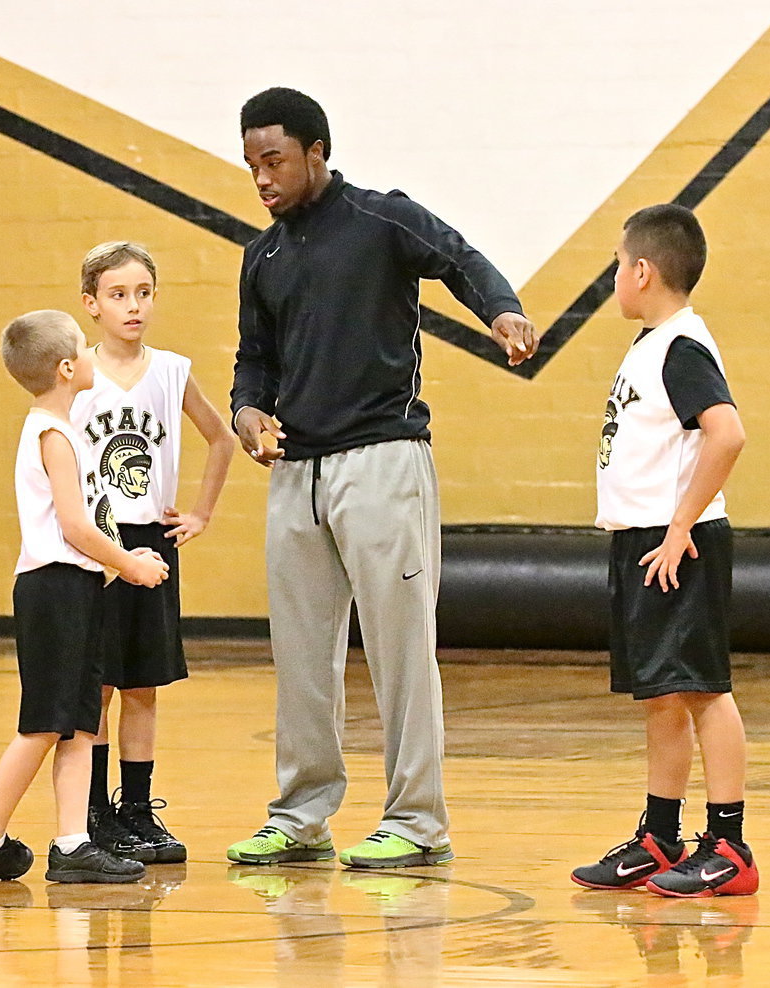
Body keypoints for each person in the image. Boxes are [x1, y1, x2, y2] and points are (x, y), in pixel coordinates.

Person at [227, 87, 538, 868]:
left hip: (382, 461)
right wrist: (246, 415)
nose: (261, 178)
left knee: (400, 649)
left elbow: (460, 257)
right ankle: (300, 815)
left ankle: (417, 822)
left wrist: (499, 309)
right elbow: (253, 362)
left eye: (274, 161)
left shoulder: (380, 219)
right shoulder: (260, 256)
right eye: (250, 165)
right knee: (301, 657)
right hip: (296, 474)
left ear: (316, 153)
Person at [572, 203, 756, 897]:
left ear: (642, 271)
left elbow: (728, 433)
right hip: (644, 541)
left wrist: (681, 526)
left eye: (619, 264)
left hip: (677, 544)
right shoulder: (655, 343)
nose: (616, 276)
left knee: (704, 690)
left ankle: (730, 844)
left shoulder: (681, 346)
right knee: (662, 696)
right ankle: (659, 835)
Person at [0, 309, 168, 883]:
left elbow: (87, 524)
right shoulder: (52, 433)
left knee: (80, 722)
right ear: (69, 367)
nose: (96, 355)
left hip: (80, 586)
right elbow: (74, 527)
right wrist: (131, 566)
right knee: (45, 724)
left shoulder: (63, 429)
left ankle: (72, 843)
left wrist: (123, 562)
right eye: (85, 349)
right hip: (54, 591)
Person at [70, 242, 234, 864]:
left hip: (152, 540)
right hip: (97, 542)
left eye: (143, 293)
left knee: (143, 683)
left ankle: (137, 809)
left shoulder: (170, 370)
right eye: (117, 295)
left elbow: (220, 438)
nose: (133, 306)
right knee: (101, 684)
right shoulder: (77, 372)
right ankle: (92, 813)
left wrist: (200, 513)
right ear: (91, 304)